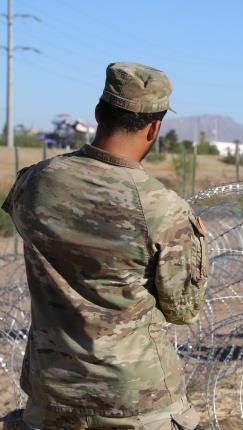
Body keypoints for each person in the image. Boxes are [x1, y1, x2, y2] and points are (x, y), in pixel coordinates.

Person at [0, 62, 207, 429]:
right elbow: (182, 309)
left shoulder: (34, 182)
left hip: (54, 391)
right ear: (155, 127)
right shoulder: (161, 207)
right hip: (137, 400)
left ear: (98, 113)